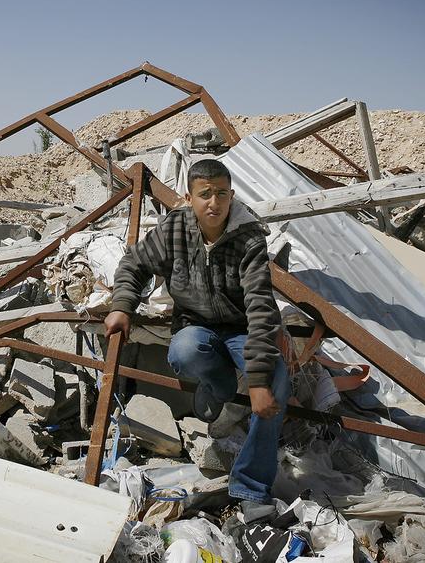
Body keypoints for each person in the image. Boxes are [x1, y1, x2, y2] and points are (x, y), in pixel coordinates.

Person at [104, 158, 290, 505]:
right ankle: (219, 387)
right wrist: (121, 306)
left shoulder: (248, 238)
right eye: (205, 194)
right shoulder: (174, 230)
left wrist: (259, 382)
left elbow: (261, 308)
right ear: (189, 199)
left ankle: (250, 485)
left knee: (277, 380)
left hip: (241, 328)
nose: (214, 203)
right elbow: (134, 264)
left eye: (222, 193)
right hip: (195, 325)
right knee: (184, 350)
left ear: (232, 195)